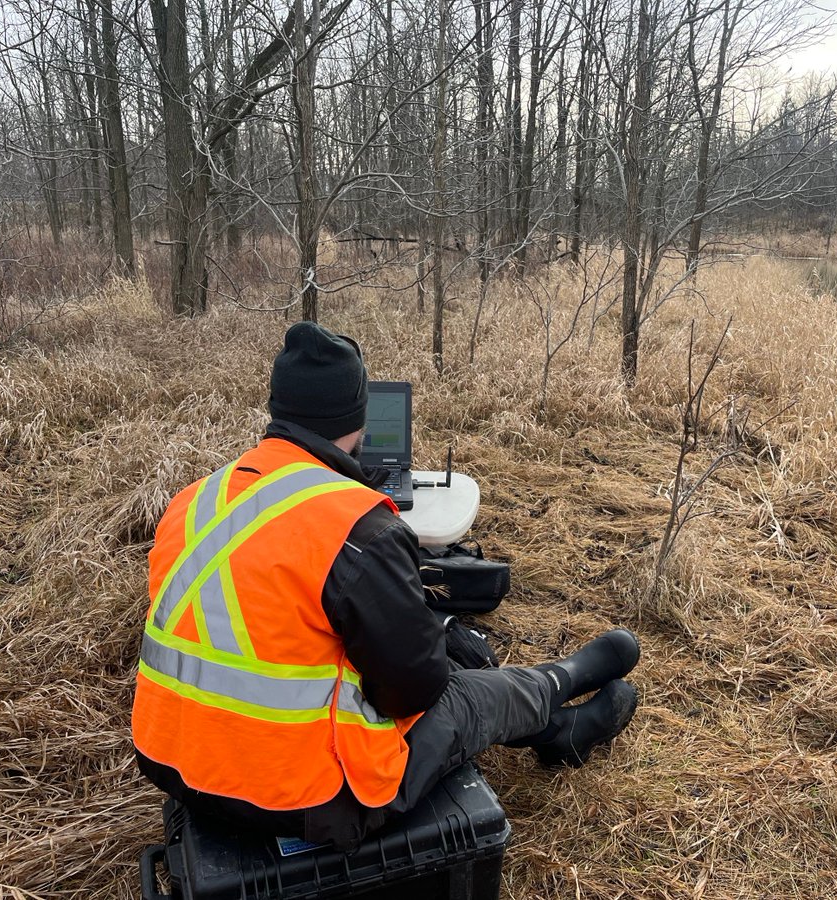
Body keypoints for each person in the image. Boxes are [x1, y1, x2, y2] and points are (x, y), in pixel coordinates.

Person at [131, 321, 640, 850]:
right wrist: (434, 644)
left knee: (431, 652)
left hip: (172, 762)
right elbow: (414, 691)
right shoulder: (357, 526)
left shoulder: (194, 500)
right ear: (359, 417)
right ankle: (560, 689)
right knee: (466, 696)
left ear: (277, 410)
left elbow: (261, 630)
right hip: (310, 800)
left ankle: (556, 730)